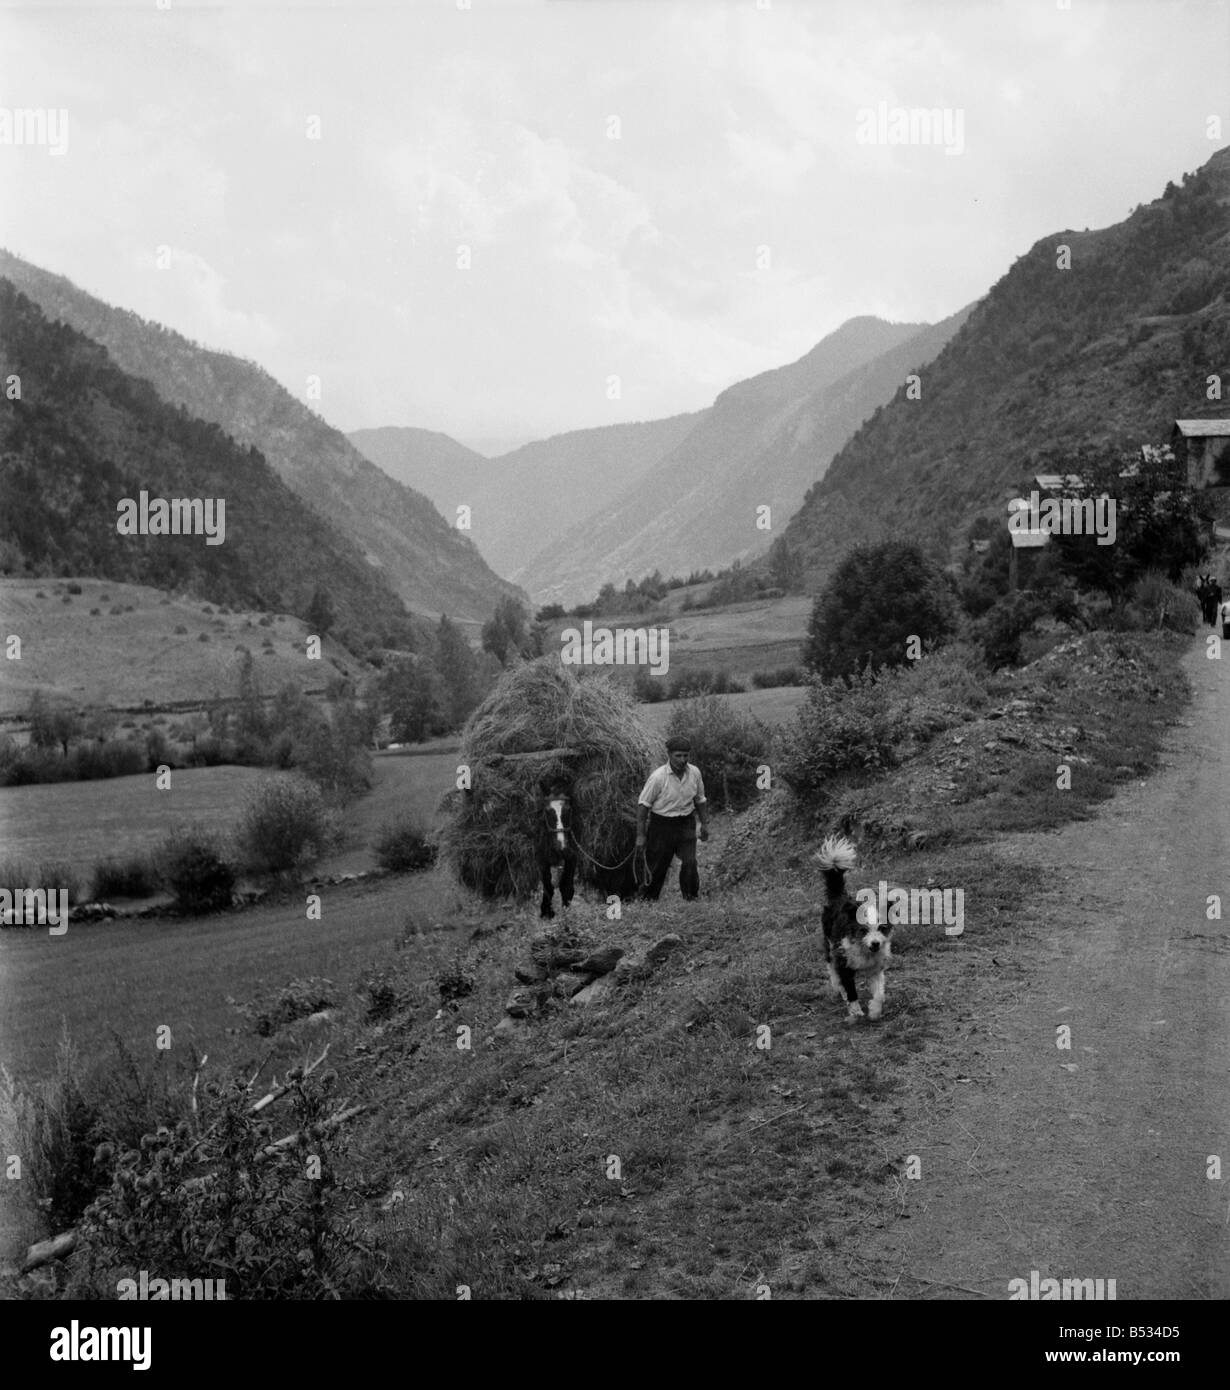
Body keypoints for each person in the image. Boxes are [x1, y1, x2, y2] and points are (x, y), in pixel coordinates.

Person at [636, 734, 710, 901]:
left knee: (690, 862)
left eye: (685, 756)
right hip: (661, 826)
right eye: (678, 755)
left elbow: (700, 800)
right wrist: (640, 835)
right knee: (657, 866)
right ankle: (647, 900)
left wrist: (704, 824)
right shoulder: (658, 777)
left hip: (686, 823)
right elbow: (643, 806)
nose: (682, 760)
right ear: (669, 755)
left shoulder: (695, 773)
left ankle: (691, 898)